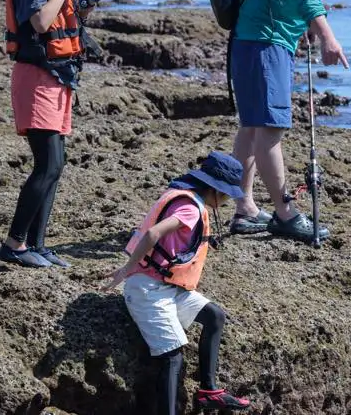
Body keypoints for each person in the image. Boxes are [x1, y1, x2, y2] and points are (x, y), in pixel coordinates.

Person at [228, 0, 351, 243]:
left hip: (259, 38)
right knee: (270, 128)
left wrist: (302, 26)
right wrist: (326, 34)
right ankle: (285, 212)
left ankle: (245, 207)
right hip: (263, 40)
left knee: (252, 126)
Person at [104, 152, 251, 414]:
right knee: (173, 356)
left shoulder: (189, 197)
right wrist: (126, 269)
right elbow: (152, 233)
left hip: (170, 288)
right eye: (227, 194)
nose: (228, 200)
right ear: (214, 189)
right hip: (148, 291)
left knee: (214, 316)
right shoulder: (189, 208)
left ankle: (208, 390)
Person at [0, 0, 97, 269]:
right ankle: (14, 243)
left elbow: (57, 21)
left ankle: (35, 244)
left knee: (56, 166)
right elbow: (40, 22)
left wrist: (80, 10)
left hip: (57, 79)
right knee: (48, 164)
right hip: (36, 80)